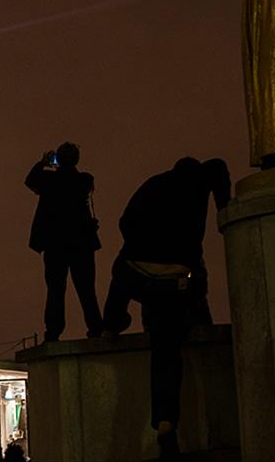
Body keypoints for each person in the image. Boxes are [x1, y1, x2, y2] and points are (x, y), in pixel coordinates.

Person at [101, 157, 231, 458]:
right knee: (166, 352)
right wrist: (224, 209)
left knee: (119, 272)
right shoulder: (204, 178)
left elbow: (125, 221)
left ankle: (111, 324)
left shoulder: (155, 183)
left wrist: (141, 245)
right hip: (176, 281)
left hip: (136, 271)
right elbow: (219, 168)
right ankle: (166, 421)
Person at [25, 141, 103, 342]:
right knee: (87, 290)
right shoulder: (84, 180)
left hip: (55, 244)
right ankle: (95, 328)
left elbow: (30, 180)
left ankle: (53, 332)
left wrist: (43, 162)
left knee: (55, 291)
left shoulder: (49, 181)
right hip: (82, 244)